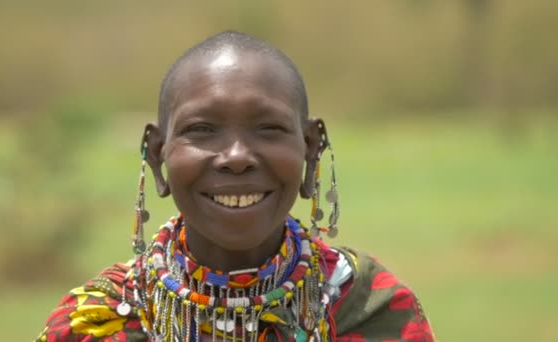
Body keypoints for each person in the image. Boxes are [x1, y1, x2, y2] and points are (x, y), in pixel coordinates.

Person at [36, 30, 435, 342]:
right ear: (157, 155)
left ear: (311, 150)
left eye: (269, 128)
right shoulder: (96, 323)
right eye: (202, 130)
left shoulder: (370, 308)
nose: (237, 156)